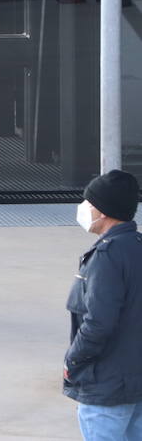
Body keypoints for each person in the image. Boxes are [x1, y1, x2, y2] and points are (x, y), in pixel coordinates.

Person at [63, 169, 142, 439]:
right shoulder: (136, 247)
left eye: (89, 203)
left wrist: (72, 360)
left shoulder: (107, 256)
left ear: (104, 211)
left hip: (107, 385)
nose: (84, 208)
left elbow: (98, 322)